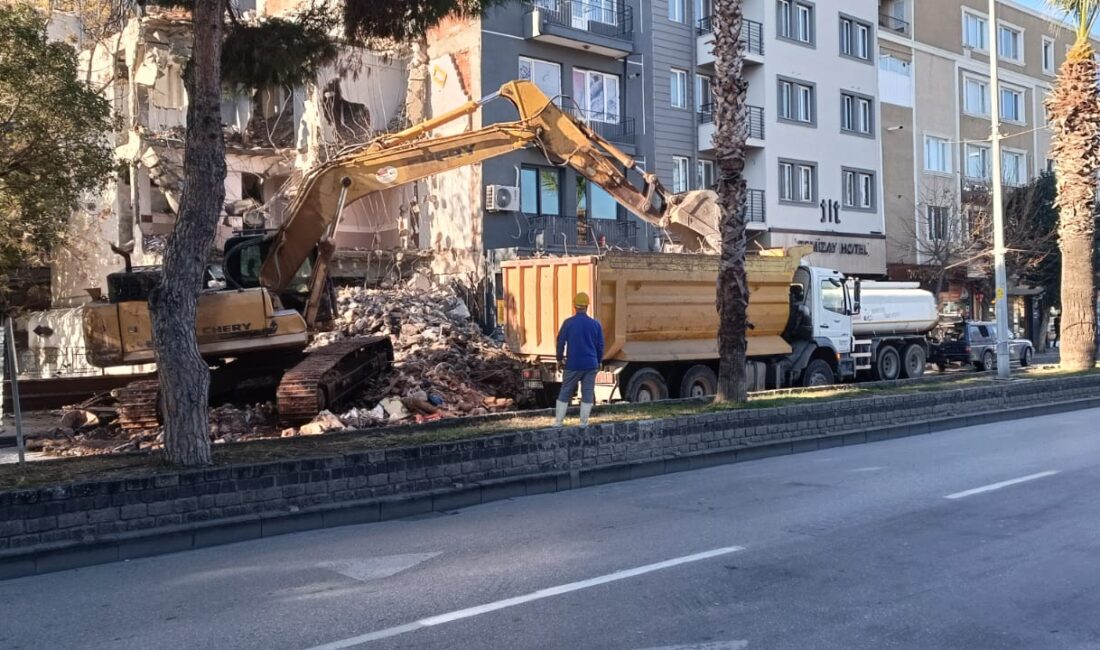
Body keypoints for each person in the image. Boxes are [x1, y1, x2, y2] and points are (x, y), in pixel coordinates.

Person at [553, 292, 604, 427]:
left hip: (572, 364)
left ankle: (558, 422)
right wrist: (598, 361)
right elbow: (600, 345)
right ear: (587, 306)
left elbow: (560, 341)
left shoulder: (568, 323)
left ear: (574, 307)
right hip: (591, 365)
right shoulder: (595, 324)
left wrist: (559, 358)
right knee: (587, 392)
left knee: (565, 390)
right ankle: (583, 422)